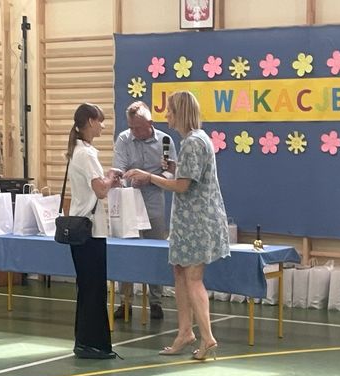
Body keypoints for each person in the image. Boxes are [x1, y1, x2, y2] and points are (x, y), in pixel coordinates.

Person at [124, 91, 230, 361]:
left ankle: (207, 337)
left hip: (197, 221)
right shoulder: (194, 140)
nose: (166, 115)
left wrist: (150, 177)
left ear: (180, 112)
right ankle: (185, 332)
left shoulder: (193, 142)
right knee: (180, 272)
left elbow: (182, 186)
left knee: (193, 278)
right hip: (189, 221)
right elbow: (189, 176)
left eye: (170, 110)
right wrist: (174, 166)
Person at [66, 103, 123, 359]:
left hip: (84, 230)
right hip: (90, 231)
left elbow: (95, 187)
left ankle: (86, 341)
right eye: (100, 121)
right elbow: (100, 190)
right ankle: (92, 344)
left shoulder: (80, 151)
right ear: (90, 121)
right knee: (93, 289)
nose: (103, 126)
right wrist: (110, 176)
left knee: (89, 287)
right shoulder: (86, 154)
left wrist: (108, 179)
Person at [112, 101, 177, 320]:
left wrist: (150, 178)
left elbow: (171, 174)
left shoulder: (165, 141)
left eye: (138, 128)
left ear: (150, 123)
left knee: (155, 251)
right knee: (126, 251)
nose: (134, 132)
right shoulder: (123, 139)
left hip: (154, 201)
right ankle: (125, 302)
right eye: (131, 127)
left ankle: (156, 302)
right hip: (129, 201)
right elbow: (119, 168)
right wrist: (125, 178)